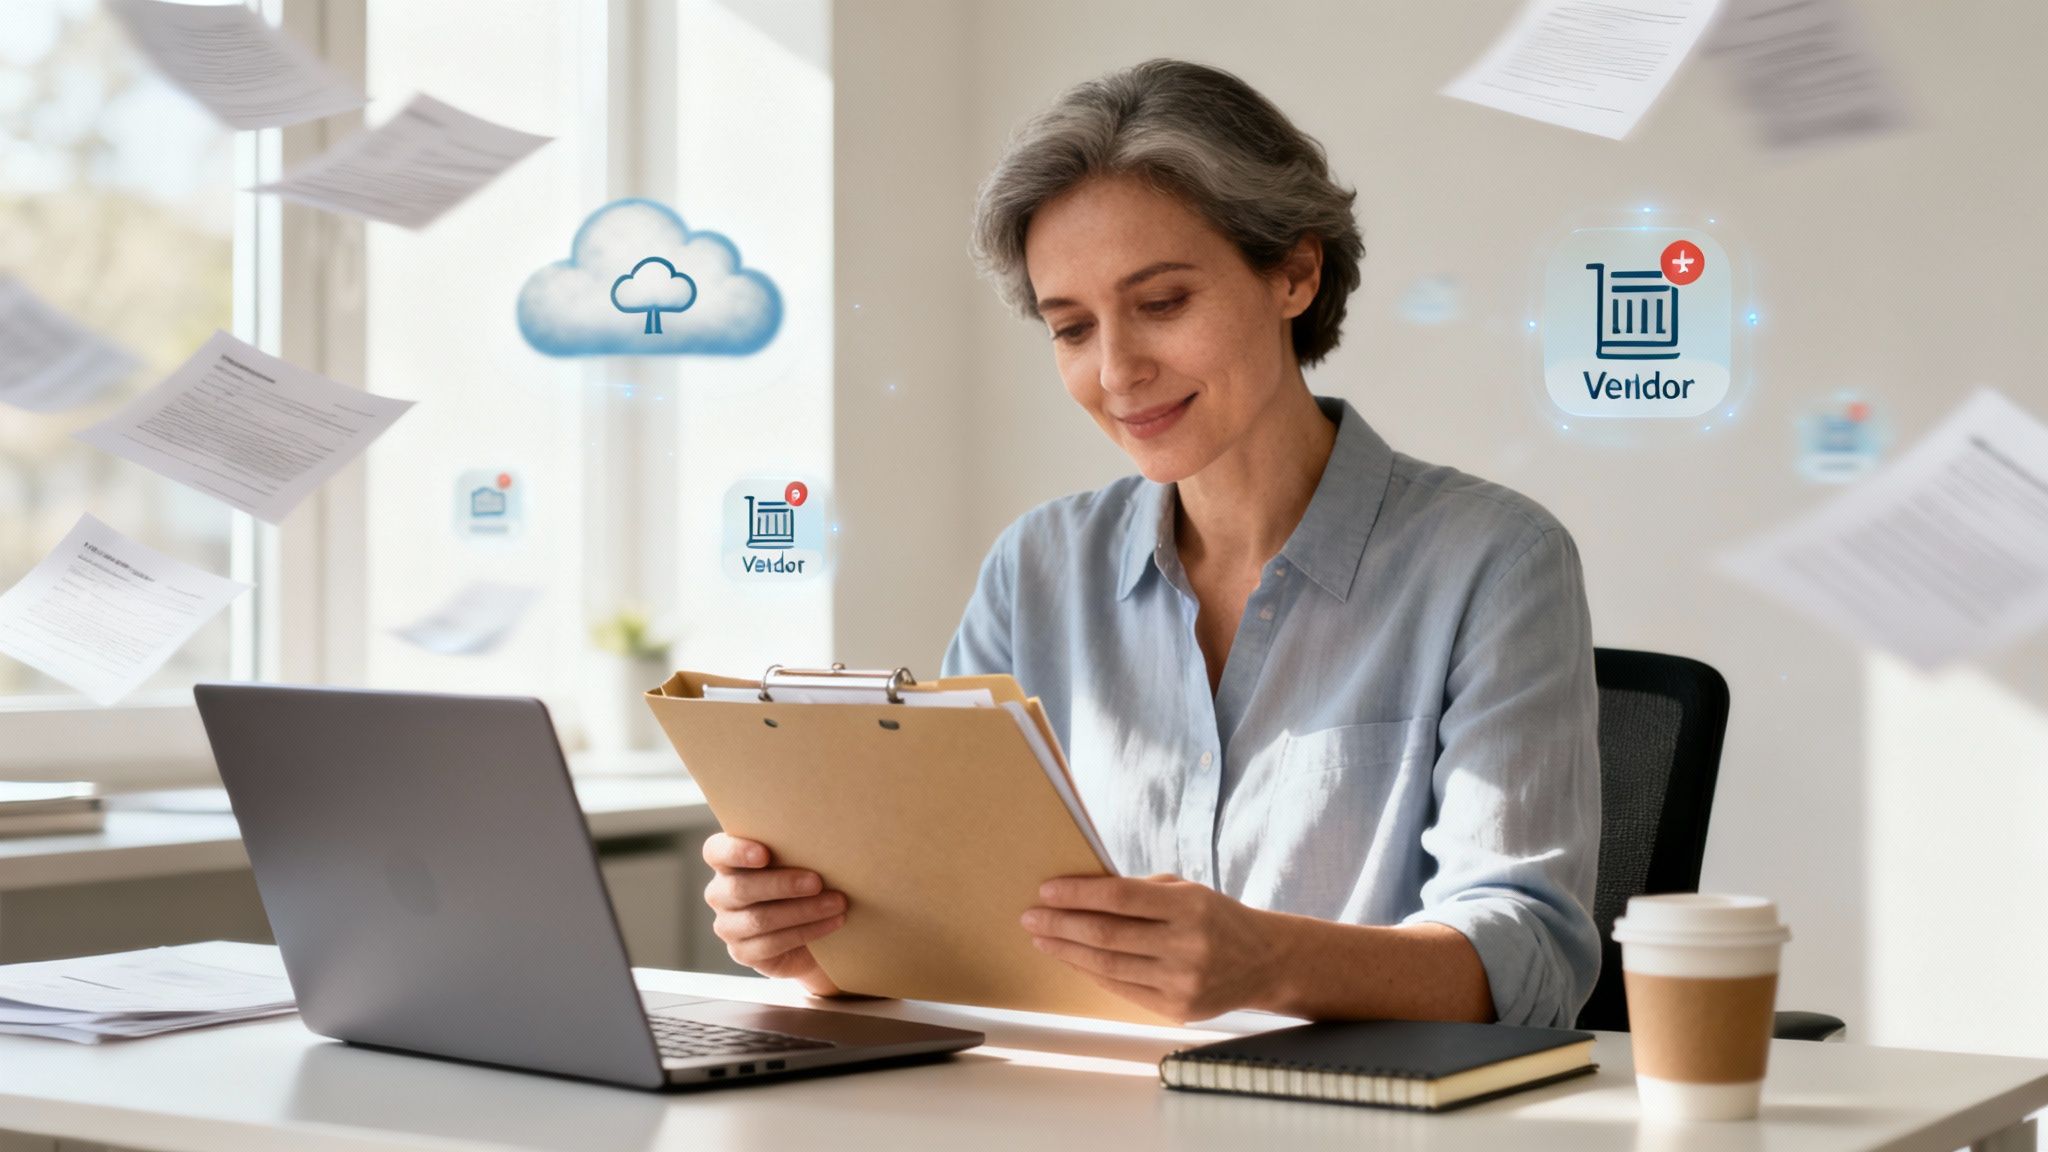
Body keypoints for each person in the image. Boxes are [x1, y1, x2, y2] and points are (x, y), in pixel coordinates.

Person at [701, 59, 1601, 1028]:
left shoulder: (1493, 561)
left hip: (1358, 1101)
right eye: (1071, 328)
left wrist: (1266, 961)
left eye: (1162, 303)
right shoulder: (1034, 571)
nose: (1116, 371)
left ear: (1293, 274)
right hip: (1077, 1098)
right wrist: (827, 946)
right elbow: (957, 923)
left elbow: (1531, 960)